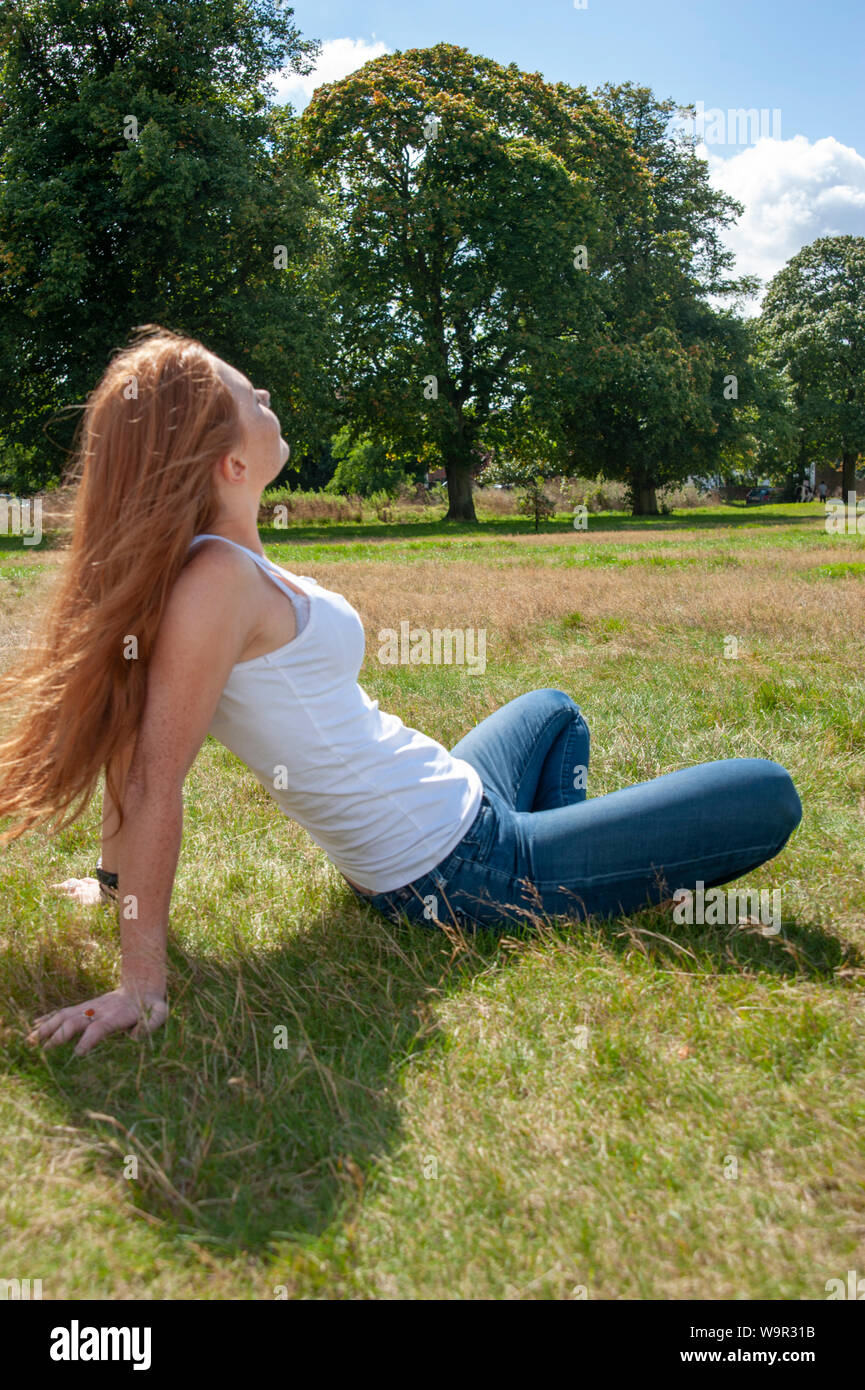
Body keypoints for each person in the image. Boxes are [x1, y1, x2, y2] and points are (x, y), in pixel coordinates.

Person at [0, 327, 803, 1056]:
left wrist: (111, 883)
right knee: (769, 793)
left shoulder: (228, 566)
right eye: (250, 395)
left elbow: (121, 733)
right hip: (451, 873)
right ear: (232, 465)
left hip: (459, 804)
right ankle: (548, 888)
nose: (267, 396)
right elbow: (148, 772)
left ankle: (569, 878)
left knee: (553, 708)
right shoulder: (214, 584)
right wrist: (142, 980)